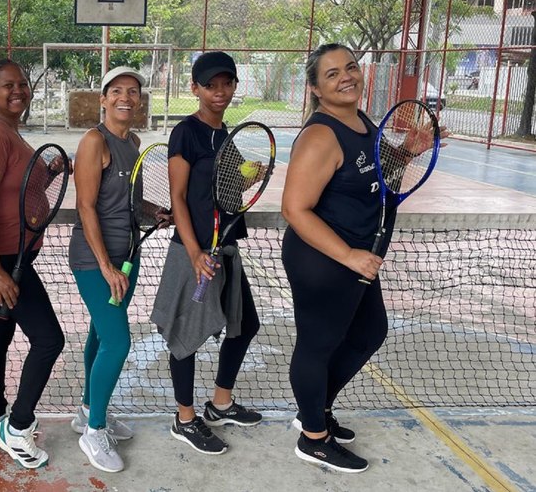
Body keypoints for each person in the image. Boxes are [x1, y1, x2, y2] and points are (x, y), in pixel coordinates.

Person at [281, 43, 390, 473]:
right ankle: (313, 439)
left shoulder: (360, 121)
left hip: (357, 256)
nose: (346, 77)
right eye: (331, 74)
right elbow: (294, 209)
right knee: (317, 346)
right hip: (324, 260)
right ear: (315, 88)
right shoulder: (320, 135)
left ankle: (315, 410)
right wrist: (348, 255)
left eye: (350, 68)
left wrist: (410, 151)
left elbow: (372, 174)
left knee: (369, 333)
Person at [150, 51, 263, 456]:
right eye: (210, 85)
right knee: (185, 338)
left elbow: (224, 194)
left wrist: (250, 180)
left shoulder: (226, 135)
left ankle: (220, 403)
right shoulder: (187, 133)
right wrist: (196, 252)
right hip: (193, 252)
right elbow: (178, 198)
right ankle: (184, 419)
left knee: (245, 324)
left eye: (226, 84)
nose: (220, 92)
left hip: (225, 248)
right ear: (195, 88)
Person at [0, 58, 67, 469]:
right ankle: (17, 427)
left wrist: (51, 171)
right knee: (49, 340)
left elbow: (22, 187)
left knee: (0, 335)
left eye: (22, 84)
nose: (17, 91)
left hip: (14, 255)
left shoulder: (11, 133)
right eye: (7, 85)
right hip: (6, 260)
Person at [67, 66, 151, 473]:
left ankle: (87, 409)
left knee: (102, 335)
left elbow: (129, 204)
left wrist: (157, 212)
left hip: (127, 256)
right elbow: (86, 207)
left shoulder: (133, 143)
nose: (125, 97)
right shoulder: (93, 142)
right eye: (116, 90)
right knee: (119, 343)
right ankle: (94, 431)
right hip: (93, 260)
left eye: (132, 91)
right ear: (102, 99)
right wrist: (105, 267)